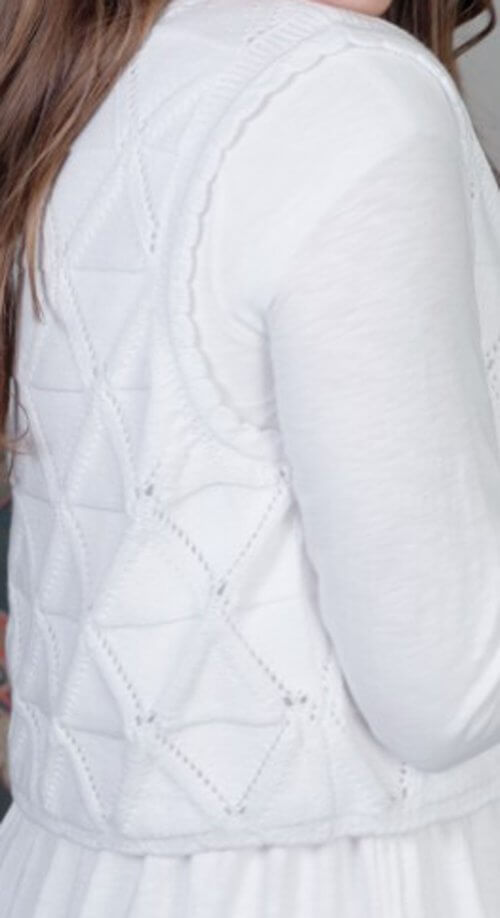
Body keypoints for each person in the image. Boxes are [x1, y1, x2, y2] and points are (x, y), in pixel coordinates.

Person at [0, 0, 499, 914]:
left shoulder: (88, 80)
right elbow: (446, 693)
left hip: (66, 874)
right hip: (353, 882)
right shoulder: (350, 96)